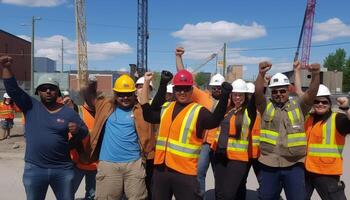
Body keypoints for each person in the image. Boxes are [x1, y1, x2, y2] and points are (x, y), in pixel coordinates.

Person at [0, 55, 88, 200]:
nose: (48, 91)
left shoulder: (68, 112)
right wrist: (6, 67)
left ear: (57, 92)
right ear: (38, 92)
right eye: (43, 88)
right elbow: (13, 89)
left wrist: (78, 130)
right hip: (34, 169)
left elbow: (84, 132)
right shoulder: (30, 106)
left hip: (62, 170)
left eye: (52, 88)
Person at [140, 69, 232, 200]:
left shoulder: (198, 111)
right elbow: (148, 113)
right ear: (174, 89)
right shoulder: (167, 108)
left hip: (185, 174)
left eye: (186, 88)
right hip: (161, 170)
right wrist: (152, 83)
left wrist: (224, 96)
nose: (182, 92)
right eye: (178, 89)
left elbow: (214, 121)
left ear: (192, 89)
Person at [254, 60, 320, 200]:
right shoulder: (266, 106)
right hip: (268, 163)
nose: (279, 94)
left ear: (288, 90)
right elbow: (258, 93)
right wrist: (261, 74)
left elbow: (312, 93)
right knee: (266, 197)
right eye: (275, 91)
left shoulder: (298, 106)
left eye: (282, 90)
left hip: (294, 164)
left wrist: (315, 75)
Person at [85, 74, 154, 200]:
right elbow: (90, 98)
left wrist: (147, 82)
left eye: (128, 94)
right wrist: (91, 85)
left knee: (138, 198)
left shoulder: (140, 110)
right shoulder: (105, 106)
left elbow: (147, 101)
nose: (125, 97)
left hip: (134, 164)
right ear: (115, 94)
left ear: (134, 94)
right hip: (109, 163)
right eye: (121, 94)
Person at [175, 47, 224, 197]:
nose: (216, 89)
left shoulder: (229, 101)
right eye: (214, 87)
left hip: (221, 144)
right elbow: (184, 78)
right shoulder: (203, 97)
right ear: (210, 87)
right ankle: (200, 196)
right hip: (204, 144)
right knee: (199, 174)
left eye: (219, 87)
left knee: (221, 177)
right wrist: (178, 57)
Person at [303, 84, 350, 200]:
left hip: (327, 173)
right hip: (306, 170)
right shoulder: (308, 119)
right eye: (317, 101)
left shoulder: (338, 119)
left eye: (324, 102)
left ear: (329, 104)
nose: (320, 104)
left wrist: (346, 108)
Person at [213, 79, 257, 199]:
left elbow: (257, 95)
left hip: (237, 158)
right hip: (220, 154)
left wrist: (261, 76)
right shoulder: (228, 110)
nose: (237, 98)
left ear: (245, 96)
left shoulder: (249, 110)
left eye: (240, 95)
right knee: (219, 193)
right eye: (235, 95)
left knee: (228, 194)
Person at [70, 79, 98, 200]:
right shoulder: (78, 111)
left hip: (95, 164)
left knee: (92, 195)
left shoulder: (102, 114)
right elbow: (72, 137)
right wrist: (81, 154)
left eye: (95, 95)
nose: (93, 98)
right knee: (67, 192)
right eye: (90, 94)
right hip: (77, 162)